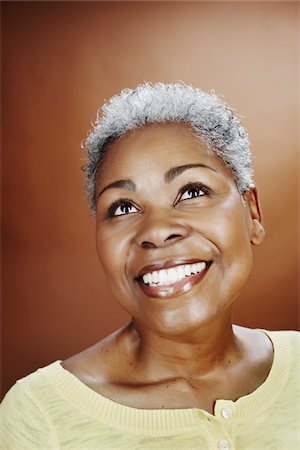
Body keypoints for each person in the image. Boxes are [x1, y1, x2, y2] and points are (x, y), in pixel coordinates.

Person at [1, 82, 299, 449]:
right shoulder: (40, 417)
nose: (157, 231)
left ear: (252, 213)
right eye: (124, 207)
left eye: (191, 192)